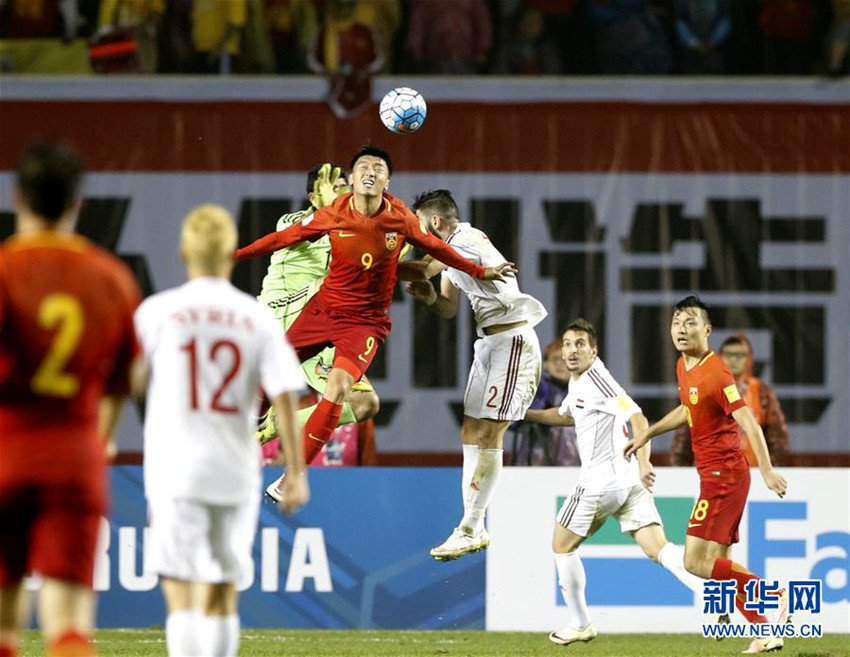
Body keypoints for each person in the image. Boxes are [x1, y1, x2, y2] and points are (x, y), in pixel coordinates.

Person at [235, 146, 513, 491]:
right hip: (297, 316)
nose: (361, 178)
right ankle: (253, 428)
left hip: (359, 321)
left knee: (359, 400)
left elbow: (414, 256)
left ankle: (287, 464)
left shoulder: (396, 220)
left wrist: (475, 271)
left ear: (387, 179)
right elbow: (291, 237)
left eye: (376, 169)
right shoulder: (307, 218)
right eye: (340, 181)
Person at [135, 204, 308, 657]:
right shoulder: (257, 317)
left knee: (181, 591)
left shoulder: (158, 312)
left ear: (183, 251)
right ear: (231, 255)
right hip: (234, 469)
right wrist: (296, 473)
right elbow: (287, 397)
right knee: (222, 592)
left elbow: (127, 380)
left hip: (175, 468)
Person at [0, 142, 141, 657]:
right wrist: (101, 437)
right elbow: (129, 378)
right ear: (77, 203)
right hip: (75, 460)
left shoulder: (5, 269)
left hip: (7, 452)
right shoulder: (112, 278)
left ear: (18, 198)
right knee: (68, 627)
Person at [523, 319, 704, 646]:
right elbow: (566, 415)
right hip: (628, 483)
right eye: (567, 344)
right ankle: (712, 593)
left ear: (594, 350)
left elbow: (638, 417)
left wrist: (646, 460)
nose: (572, 350)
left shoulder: (599, 381)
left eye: (580, 344)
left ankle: (580, 623)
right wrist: (524, 413)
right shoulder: (579, 383)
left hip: (600, 484)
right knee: (658, 549)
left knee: (561, 546)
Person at [624, 296, 788, 655]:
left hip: (724, 476)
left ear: (707, 330)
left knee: (693, 561)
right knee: (718, 564)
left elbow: (748, 421)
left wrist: (767, 469)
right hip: (715, 474)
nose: (682, 330)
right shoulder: (684, 366)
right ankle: (764, 633)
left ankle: (773, 594)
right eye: (676, 323)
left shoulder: (717, 372)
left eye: (691, 322)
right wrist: (648, 434)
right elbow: (688, 408)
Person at [404, 189, 545, 560]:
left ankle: (469, 526)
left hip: (512, 340)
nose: (417, 234)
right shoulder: (452, 253)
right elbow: (449, 307)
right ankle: (473, 525)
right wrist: (431, 298)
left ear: (435, 222)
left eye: (418, 226)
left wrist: (367, 260)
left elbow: (419, 267)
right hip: (488, 345)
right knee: (470, 429)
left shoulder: (464, 242)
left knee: (490, 432)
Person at [254, 163, 382, 500]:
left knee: (365, 403)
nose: (345, 190)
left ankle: (268, 428)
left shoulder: (354, 228)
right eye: (336, 185)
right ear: (314, 195)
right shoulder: (295, 222)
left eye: (345, 184)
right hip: (279, 322)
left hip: (318, 324)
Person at [671, 333, 789, 467]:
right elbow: (684, 438)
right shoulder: (702, 389)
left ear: (749, 359)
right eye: (728, 354)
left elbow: (778, 439)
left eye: (739, 355)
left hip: (753, 474)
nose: (733, 360)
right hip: (708, 474)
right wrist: (680, 473)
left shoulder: (761, 392)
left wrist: (767, 470)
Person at [511, 338, 579, 466]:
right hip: (537, 454)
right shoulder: (538, 386)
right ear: (546, 364)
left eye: (564, 360)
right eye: (555, 359)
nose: (559, 364)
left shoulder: (584, 388)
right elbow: (513, 423)